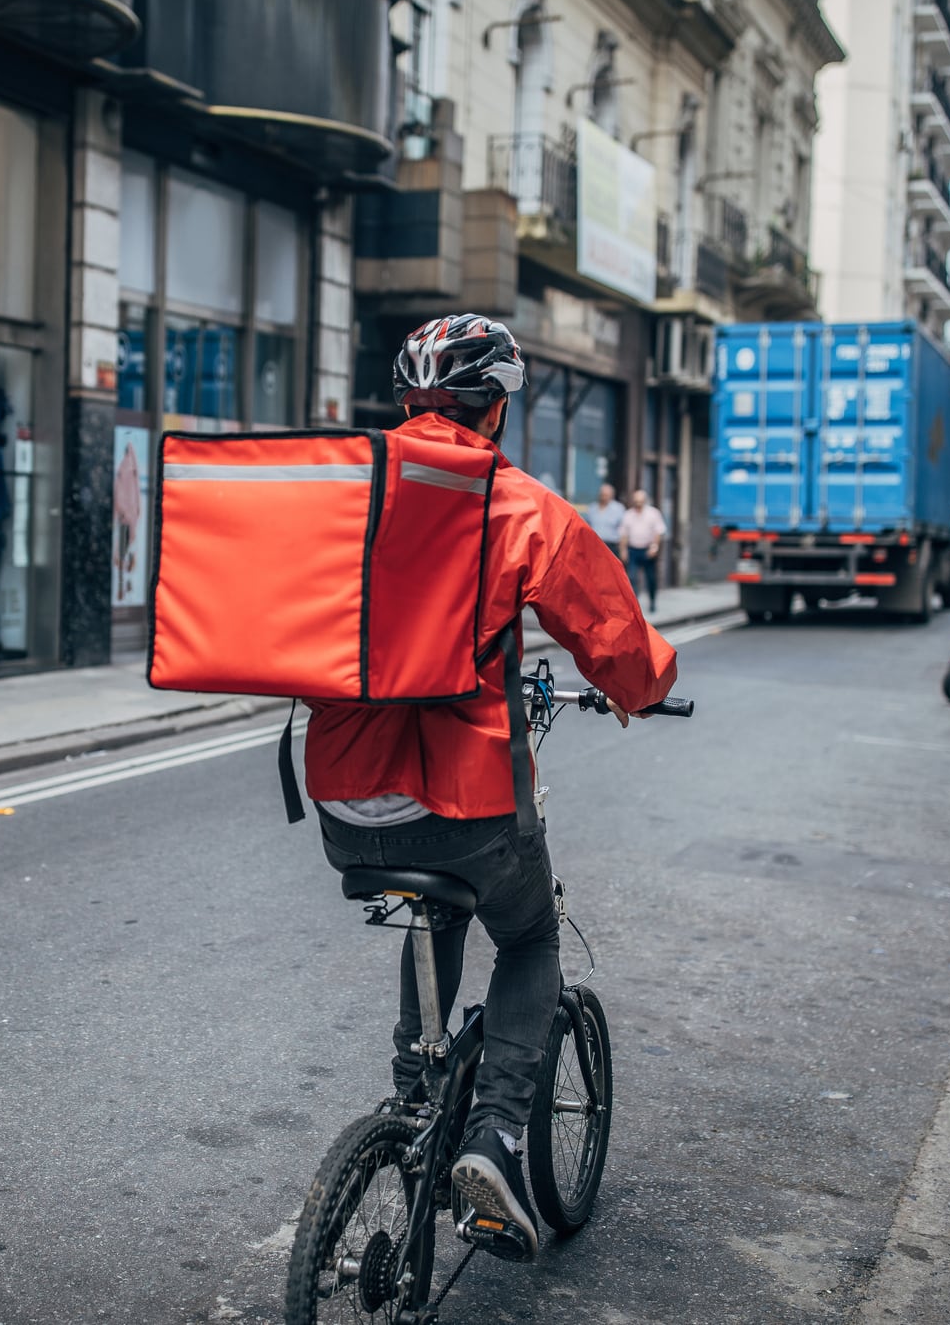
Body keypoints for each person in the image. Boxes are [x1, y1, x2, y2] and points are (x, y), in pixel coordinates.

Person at [304, 313, 677, 1261]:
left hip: (345, 804)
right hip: (460, 801)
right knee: (529, 933)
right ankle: (499, 1138)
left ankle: (413, 1094)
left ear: (406, 402)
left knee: (429, 909)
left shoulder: (342, 486)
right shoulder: (516, 505)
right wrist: (640, 691)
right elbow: (617, 642)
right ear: (497, 406)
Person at [617, 489, 667, 612]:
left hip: (648, 549)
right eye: (636, 501)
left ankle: (652, 601)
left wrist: (654, 547)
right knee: (632, 577)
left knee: (651, 578)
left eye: (640, 501)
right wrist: (623, 550)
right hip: (633, 549)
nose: (638, 504)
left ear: (645, 501)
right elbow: (623, 534)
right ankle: (634, 606)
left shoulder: (653, 513)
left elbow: (658, 532)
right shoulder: (628, 515)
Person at [585, 482, 627, 559]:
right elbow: (587, 527)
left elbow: (623, 530)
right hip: (594, 546)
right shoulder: (592, 508)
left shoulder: (618, 508)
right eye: (602, 494)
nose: (603, 497)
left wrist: (623, 549)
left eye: (606, 495)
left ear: (611, 495)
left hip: (611, 547)